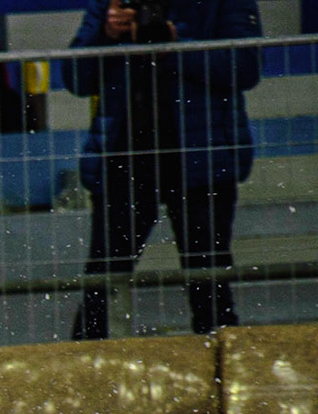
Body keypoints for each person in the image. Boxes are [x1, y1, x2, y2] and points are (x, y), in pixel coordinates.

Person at [68, 0, 261, 340]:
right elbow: (75, 78)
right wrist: (107, 34)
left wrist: (175, 45)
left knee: (209, 284)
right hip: (124, 158)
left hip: (201, 161)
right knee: (101, 284)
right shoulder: (113, 4)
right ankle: (84, 364)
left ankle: (223, 365)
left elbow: (245, 67)